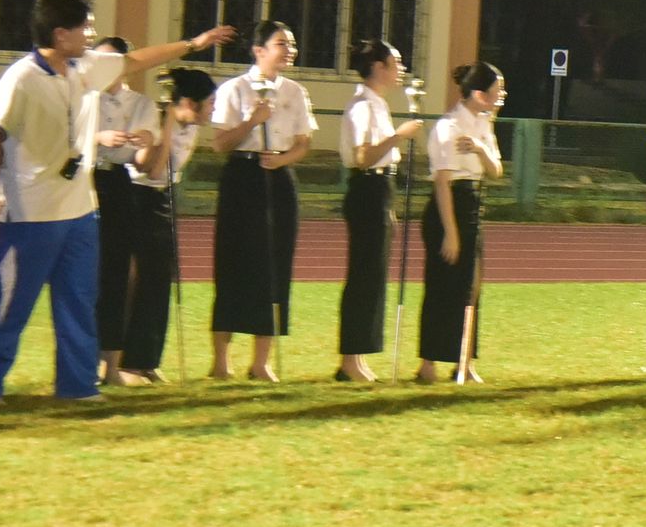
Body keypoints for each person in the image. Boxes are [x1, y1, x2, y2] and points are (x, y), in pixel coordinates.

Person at [0, 0, 230, 402]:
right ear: (60, 33)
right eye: (85, 26)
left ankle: (78, 384)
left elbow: (138, 60)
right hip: (32, 211)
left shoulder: (85, 67)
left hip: (81, 211)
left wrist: (194, 44)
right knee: (10, 299)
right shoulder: (21, 79)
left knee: (80, 301)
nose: (91, 33)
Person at [207, 21, 314, 381]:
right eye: (282, 44)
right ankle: (221, 360)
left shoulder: (295, 92)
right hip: (242, 177)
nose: (289, 50)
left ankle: (261, 362)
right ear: (259, 50)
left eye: (292, 44)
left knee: (274, 264)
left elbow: (303, 142)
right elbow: (219, 143)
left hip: (278, 176)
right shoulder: (233, 89)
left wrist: (283, 161)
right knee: (233, 263)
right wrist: (253, 121)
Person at [114, 67, 215, 383]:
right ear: (189, 103)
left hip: (163, 198)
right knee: (135, 280)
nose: (212, 109)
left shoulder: (192, 128)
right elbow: (153, 169)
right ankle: (123, 362)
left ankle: (147, 359)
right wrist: (167, 126)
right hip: (137, 198)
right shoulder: (154, 121)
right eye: (209, 103)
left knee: (159, 280)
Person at [337, 40, 425, 382]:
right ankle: (350, 360)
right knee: (364, 276)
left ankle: (358, 357)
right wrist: (399, 136)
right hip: (368, 187)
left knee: (373, 277)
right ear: (378, 67)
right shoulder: (363, 106)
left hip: (379, 188)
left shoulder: (377, 104)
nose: (401, 69)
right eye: (396, 62)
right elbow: (363, 157)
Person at [418, 63, 504, 381]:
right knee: (441, 287)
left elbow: (496, 171)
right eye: (496, 91)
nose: (501, 96)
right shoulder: (448, 126)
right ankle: (428, 364)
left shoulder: (483, 124)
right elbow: (442, 182)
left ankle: (464, 362)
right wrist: (450, 233)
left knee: (472, 287)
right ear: (479, 95)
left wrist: (480, 148)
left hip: (473, 205)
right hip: (448, 207)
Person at [87, 38, 158, 387]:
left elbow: (143, 163)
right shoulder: (84, 97)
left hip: (117, 183)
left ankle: (112, 366)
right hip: (82, 180)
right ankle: (81, 362)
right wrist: (98, 137)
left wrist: (146, 141)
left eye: (110, 61)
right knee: (83, 275)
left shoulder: (141, 104)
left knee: (116, 275)